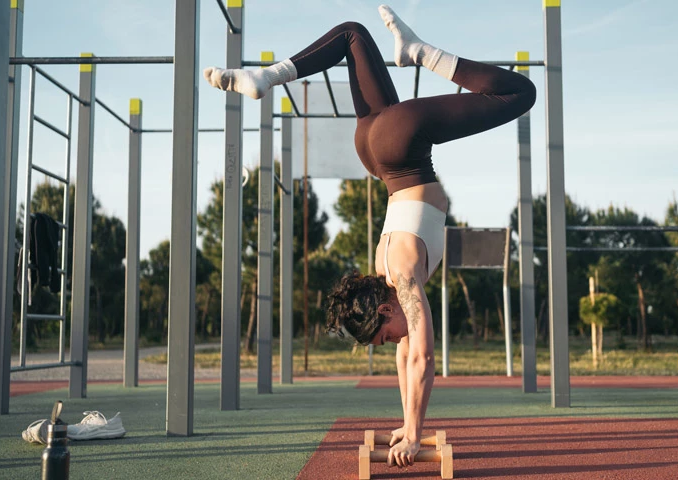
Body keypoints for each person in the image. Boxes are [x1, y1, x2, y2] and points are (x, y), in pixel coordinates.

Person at [204, 4, 535, 469]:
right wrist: (406, 425)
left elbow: (421, 358)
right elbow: (407, 354)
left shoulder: (400, 277)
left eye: (382, 336)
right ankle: (270, 77)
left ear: (383, 309)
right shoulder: (387, 275)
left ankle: (420, 53)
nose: (390, 343)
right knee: (353, 35)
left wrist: (416, 436)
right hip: (375, 148)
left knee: (519, 92)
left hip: (402, 146)